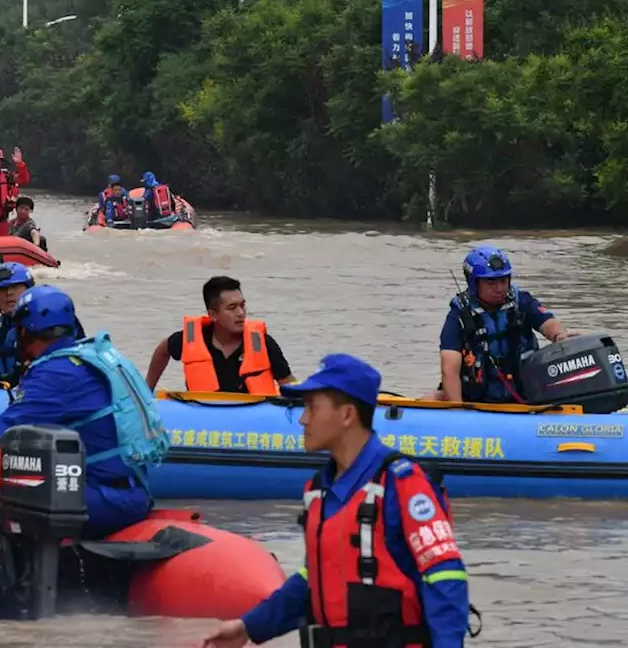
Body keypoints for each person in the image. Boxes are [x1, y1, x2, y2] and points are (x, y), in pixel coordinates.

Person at [200, 354, 472, 648]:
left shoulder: (402, 484)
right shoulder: (318, 491)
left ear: (346, 415)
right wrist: (248, 627)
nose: (303, 419)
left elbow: (445, 576)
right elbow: (312, 580)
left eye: (312, 407)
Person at [0, 285, 167, 538]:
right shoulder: (90, 355)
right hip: (131, 490)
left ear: (25, 331)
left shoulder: (55, 373)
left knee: (14, 498)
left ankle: (29, 573)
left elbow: (2, 431)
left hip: (107, 500)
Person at [432, 245, 573, 404]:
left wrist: (559, 335)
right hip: (476, 400)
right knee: (433, 398)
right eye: (491, 282)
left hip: (525, 396)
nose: (499, 288)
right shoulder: (458, 315)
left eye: (503, 280)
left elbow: (548, 323)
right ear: (474, 283)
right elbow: (449, 369)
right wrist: (459, 414)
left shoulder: (521, 302)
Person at [145, 275, 295, 393]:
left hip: (251, 422)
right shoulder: (190, 339)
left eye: (242, 305)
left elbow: (289, 384)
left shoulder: (263, 343)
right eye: (232, 308)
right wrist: (146, 391)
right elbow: (163, 350)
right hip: (206, 420)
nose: (241, 313)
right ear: (213, 315)